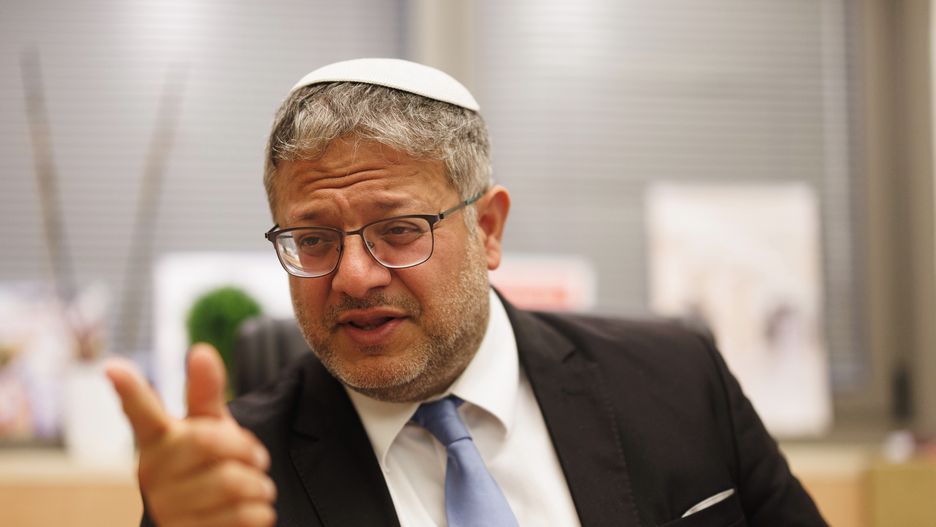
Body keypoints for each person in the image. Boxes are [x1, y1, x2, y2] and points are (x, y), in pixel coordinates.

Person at [107, 58, 827, 527]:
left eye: (398, 229)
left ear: (487, 228)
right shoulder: (231, 472)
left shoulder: (677, 380)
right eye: (315, 239)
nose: (354, 276)